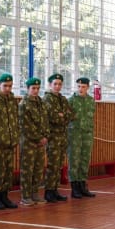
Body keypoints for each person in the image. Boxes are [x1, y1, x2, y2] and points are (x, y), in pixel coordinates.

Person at [0, 73, 19, 209]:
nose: (7, 88)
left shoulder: (12, 100)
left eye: (10, 86)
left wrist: (15, 136)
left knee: (7, 171)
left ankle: (5, 196)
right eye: (5, 86)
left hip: (10, 142)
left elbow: (15, 120)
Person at [18, 77, 49, 206]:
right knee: (27, 170)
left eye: (37, 88)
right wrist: (38, 138)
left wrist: (46, 136)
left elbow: (46, 121)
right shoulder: (23, 104)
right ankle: (25, 196)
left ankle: (35, 193)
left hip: (41, 142)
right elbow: (25, 125)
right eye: (33, 88)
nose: (36, 91)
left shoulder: (41, 103)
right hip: (29, 142)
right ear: (28, 89)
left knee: (38, 169)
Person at [43, 73, 73, 202]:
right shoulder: (47, 99)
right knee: (52, 165)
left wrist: (62, 115)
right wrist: (61, 115)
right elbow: (53, 117)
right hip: (53, 136)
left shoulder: (63, 99)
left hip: (62, 136)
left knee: (59, 165)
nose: (57, 86)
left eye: (60, 84)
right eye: (55, 84)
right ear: (50, 85)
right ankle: (49, 191)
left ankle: (55, 190)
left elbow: (70, 115)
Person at [67, 77, 96, 199]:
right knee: (74, 160)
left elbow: (91, 117)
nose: (80, 89)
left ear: (88, 87)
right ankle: (74, 188)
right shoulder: (71, 100)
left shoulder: (90, 100)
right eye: (78, 86)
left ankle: (83, 185)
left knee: (85, 160)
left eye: (83, 87)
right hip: (74, 134)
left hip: (87, 134)